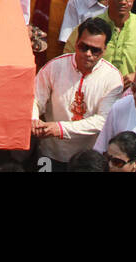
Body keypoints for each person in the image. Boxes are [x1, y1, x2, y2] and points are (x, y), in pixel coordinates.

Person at [31, 16, 124, 168]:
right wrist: (34, 120)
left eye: (95, 50)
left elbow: (103, 120)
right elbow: (34, 99)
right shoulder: (54, 67)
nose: (88, 53)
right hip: (50, 153)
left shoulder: (112, 78)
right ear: (75, 43)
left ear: (105, 50)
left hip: (88, 160)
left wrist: (60, 129)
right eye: (84, 47)